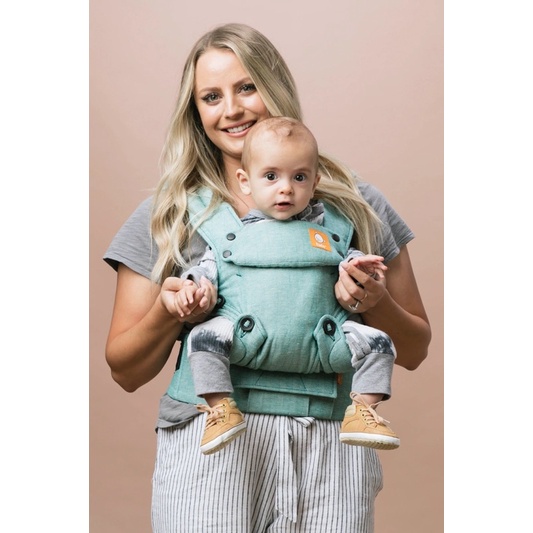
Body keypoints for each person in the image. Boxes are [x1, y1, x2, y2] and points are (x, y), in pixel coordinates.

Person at [104, 22, 431, 533]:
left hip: (331, 448)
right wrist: (170, 312)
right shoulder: (169, 214)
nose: (231, 109)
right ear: (196, 111)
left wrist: (375, 302)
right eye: (211, 96)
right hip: (212, 446)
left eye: (246, 87)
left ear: (274, 87)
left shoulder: (356, 206)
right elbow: (124, 370)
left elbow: (414, 349)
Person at [175, 116, 400, 455]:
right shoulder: (230, 235)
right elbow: (206, 269)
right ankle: (220, 407)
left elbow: (348, 259)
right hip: (246, 337)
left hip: (325, 344)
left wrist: (361, 270)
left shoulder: (331, 232)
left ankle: (363, 410)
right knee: (202, 339)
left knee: (380, 343)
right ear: (245, 181)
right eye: (271, 176)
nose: (286, 188)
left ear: (315, 182)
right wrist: (195, 288)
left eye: (299, 177)